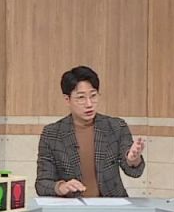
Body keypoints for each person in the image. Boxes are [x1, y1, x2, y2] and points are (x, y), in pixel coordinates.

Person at [36, 66, 145, 197]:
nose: (89, 104)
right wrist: (61, 187)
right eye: (81, 98)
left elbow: (134, 172)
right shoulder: (52, 134)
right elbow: (42, 184)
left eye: (93, 96)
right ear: (67, 99)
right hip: (72, 206)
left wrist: (133, 159)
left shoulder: (116, 127)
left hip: (111, 204)